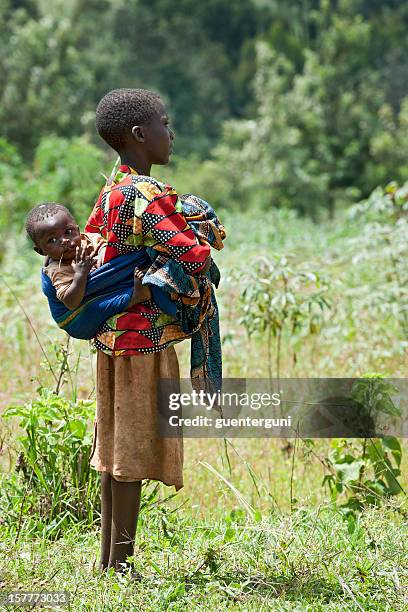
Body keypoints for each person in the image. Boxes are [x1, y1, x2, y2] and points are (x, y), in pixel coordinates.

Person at [85, 88, 222, 574]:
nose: (172, 132)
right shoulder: (146, 196)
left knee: (115, 450)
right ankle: (120, 568)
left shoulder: (111, 190)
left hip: (110, 336)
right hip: (142, 338)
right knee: (133, 453)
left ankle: (107, 563)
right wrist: (204, 228)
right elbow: (192, 253)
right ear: (140, 135)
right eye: (164, 122)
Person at [26, 202, 151, 310]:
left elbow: (106, 250)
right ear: (41, 252)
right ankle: (135, 297)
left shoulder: (88, 239)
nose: (64, 240)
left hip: (113, 280)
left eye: (68, 232)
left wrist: (101, 258)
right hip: (90, 306)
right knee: (99, 307)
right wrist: (80, 274)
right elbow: (70, 303)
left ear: (78, 230)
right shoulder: (58, 269)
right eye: (52, 240)